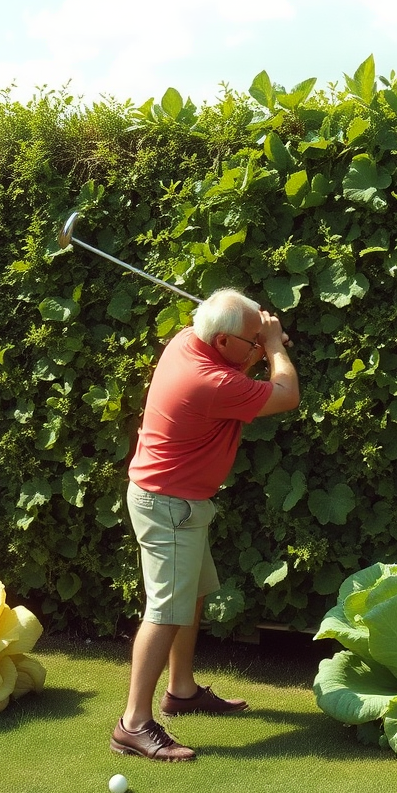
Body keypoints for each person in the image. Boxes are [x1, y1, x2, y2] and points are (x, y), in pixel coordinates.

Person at [111, 288, 299, 762]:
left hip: (176, 501)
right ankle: (133, 724)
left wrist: (255, 345)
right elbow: (287, 395)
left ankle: (181, 690)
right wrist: (274, 348)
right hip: (169, 505)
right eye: (250, 339)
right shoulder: (207, 380)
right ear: (221, 343)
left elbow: (238, 374)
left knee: (189, 594)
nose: (257, 345)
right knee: (167, 609)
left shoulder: (186, 342)